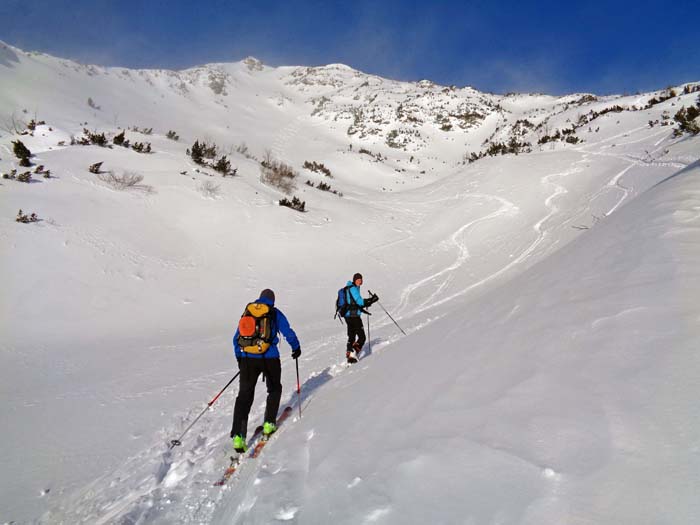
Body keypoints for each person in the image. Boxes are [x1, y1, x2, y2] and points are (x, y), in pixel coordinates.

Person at [230, 288, 301, 452]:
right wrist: (295, 347)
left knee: (244, 396)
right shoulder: (274, 313)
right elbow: (287, 331)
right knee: (275, 389)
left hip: (248, 359)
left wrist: (240, 357)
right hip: (270, 358)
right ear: (272, 300)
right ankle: (269, 423)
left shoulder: (248, 312)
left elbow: (236, 338)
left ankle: (238, 437)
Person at [343, 273, 378, 363]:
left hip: (348, 315)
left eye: (361, 280)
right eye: (358, 280)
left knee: (351, 335)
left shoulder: (349, 288)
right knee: (362, 337)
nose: (360, 281)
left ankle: (349, 354)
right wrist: (371, 300)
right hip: (354, 316)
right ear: (354, 280)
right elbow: (359, 302)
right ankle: (352, 353)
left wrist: (367, 303)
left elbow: (354, 303)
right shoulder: (353, 288)